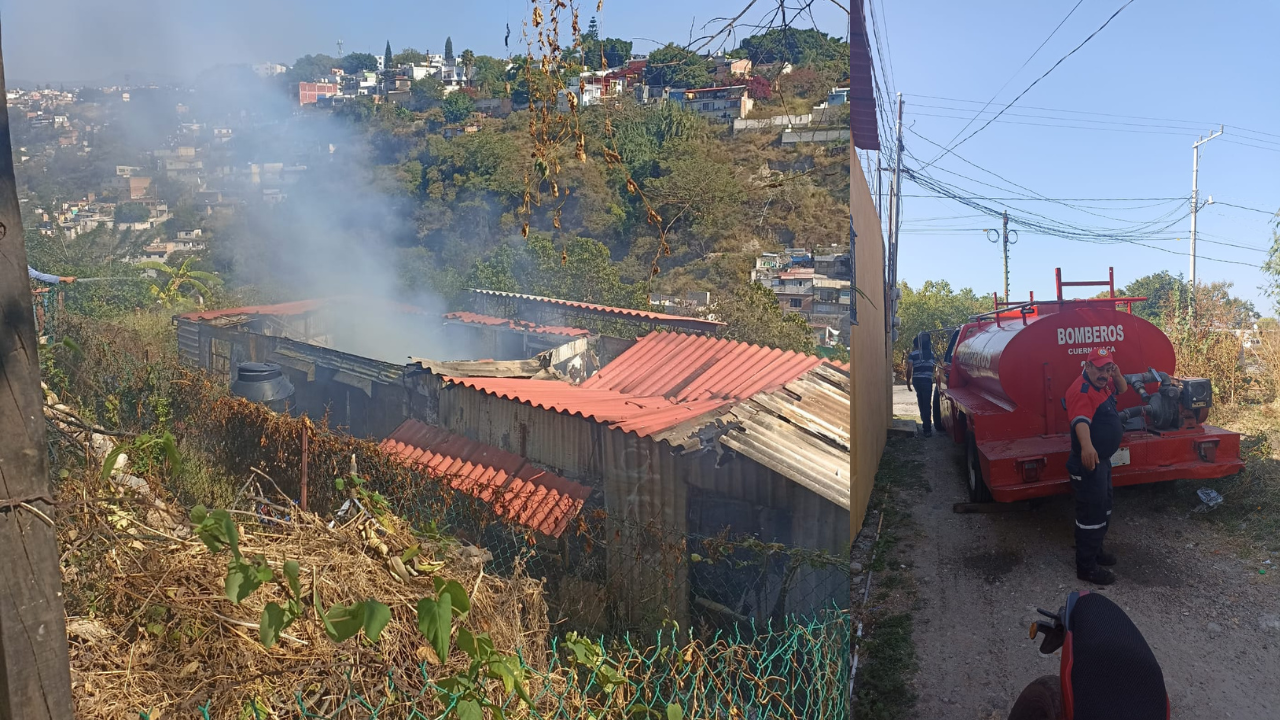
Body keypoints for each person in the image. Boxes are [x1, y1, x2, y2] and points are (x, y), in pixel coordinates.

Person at [1065, 347, 1130, 586]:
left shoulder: (1100, 385)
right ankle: (1086, 567)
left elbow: (1122, 390)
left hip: (1102, 463)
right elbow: (1080, 421)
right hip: (1088, 463)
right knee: (1090, 515)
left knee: (1103, 508)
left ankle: (1097, 551)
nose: (1103, 373)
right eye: (1098, 368)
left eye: (1107, 368)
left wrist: (1117, 375)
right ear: (1087, 366)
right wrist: (1087, 446)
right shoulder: (1082, 390)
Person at [905, 332, 935, 437]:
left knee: (921, 402)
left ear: (915, 344)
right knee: (927, 404)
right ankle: (927, 429)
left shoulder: (913, 354)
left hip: (917, 381)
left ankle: (925, 424)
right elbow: (933, 367)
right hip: (927, 381)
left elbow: (909, 369)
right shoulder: (931, 354)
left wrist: (908, 382)